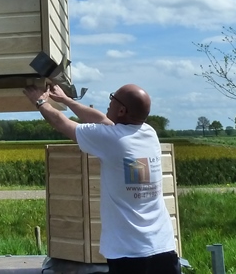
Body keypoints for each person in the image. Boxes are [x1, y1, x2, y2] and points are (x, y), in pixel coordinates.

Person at [23, 83, 180, 274]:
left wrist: (40, 101)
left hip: (129, 254)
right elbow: (102, 120)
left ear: (122, 110)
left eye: (113, 98)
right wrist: (66, 100)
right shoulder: (148, 133)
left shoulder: (112, 140)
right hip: (163, 246)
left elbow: (62, 123)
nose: (109, 101)